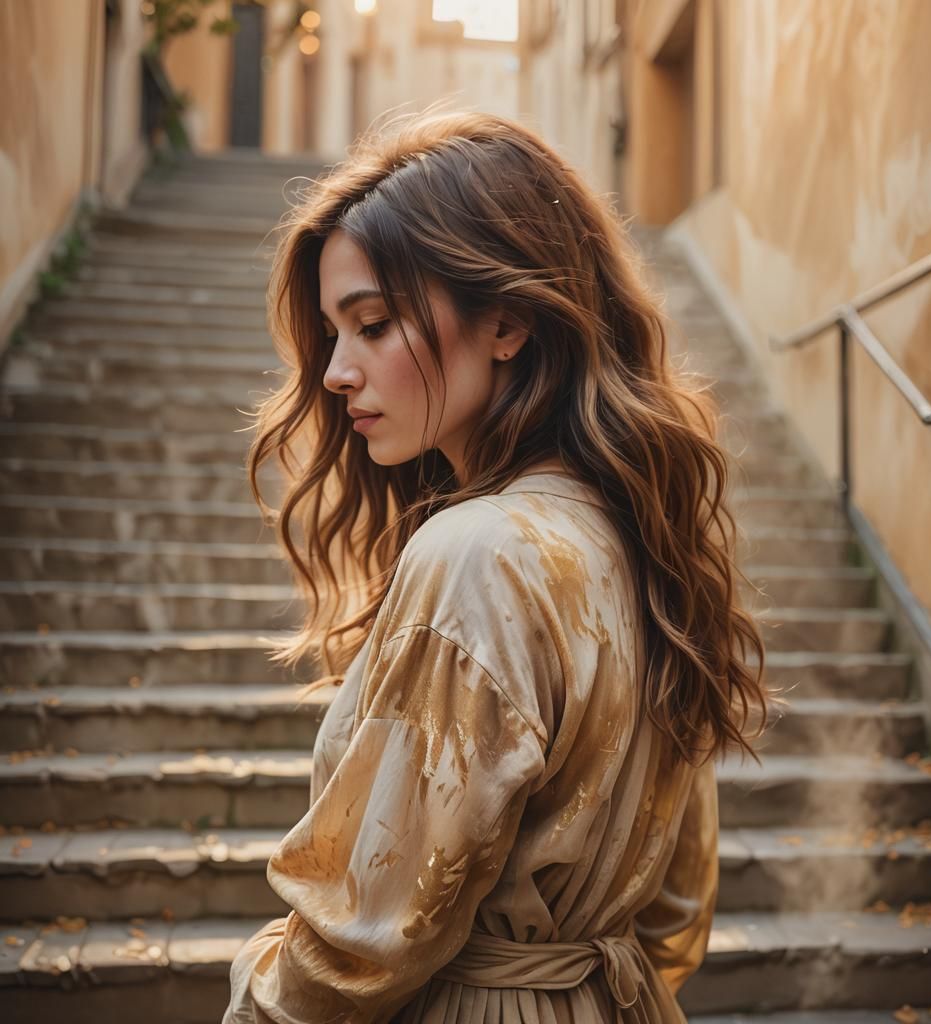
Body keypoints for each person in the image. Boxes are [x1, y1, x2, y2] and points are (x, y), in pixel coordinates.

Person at [222, 108, 774, 1024]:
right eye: (331, 335)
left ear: (506, 323)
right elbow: (676, 910)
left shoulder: (478, 556)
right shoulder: (641, 543)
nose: (334, 374)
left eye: (374, 325)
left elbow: (360, 943)